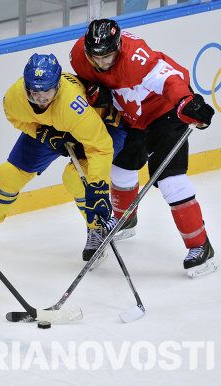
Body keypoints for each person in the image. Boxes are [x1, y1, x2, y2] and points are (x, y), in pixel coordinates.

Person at [70, 19, 216, 277]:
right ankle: (125, 220)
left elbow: (171, 79)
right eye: (97, 58)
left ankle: (200, 246)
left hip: (165, 113)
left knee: (170, 180)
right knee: (121, 167)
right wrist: (93, 89)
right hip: (129, 115)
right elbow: (82, 80)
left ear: (119, 46)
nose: (102, 63)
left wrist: (187, 103)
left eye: (108, 57)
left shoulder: (136, 57)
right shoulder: (80, 54)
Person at [0, 53, 126, 263]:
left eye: (47, 92)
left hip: (100, 127)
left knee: (75, 178)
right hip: (51, 127)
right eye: (34, 93)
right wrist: (43, 134)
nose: (41, 99)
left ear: (58, 87)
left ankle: (96, 229)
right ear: (26, 87)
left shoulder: (73, 105)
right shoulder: (15, 97)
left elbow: (100, 147)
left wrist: (97, 187)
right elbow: (16, 118)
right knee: (9, 175)